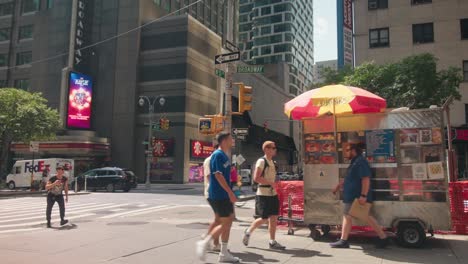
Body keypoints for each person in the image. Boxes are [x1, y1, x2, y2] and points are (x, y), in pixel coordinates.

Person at [330, 143, 389, 248]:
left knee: (348, 216)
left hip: (356, 197)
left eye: (347, 150)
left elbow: (366, 179)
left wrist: (363, 195)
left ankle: (343, 240)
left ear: (353, 150)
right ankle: (383, 238)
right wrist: (338, 187)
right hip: (354, 196)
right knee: (365, 216)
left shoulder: (360, 162)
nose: (345, 152)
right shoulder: (354, 162)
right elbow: (349, 178)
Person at [196, 132, 240, 263]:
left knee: (227, 220)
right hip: (219, 194)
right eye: (231, 139)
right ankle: (205, 242)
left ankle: (223, 252)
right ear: (225, 140)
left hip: (222, 194)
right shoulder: (217, 155)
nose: (233, 141)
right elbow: (218, 175)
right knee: (226, 221)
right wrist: (230, 192)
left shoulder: (225, 156)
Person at [242, 141, 285, 250]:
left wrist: (276, 184)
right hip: (263, 194)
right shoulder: (261, 161)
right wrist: (271, 183)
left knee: (274, 217)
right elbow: (256, 178)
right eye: (273, 148)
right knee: (264, 218)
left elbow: (272, 178)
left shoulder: (273, 162)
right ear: (266, 149)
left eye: (275, 148)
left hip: (273, 193)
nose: (275, 149)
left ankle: (272, 241)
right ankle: (248, 231)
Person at [201, 144, 220, 252]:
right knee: (220, 218)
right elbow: (209, 178)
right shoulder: (210, 160)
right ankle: (208, 239)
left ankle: (213, 242)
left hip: (217, 193)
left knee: (219, 219)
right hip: (212, 193)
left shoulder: (218, 160)